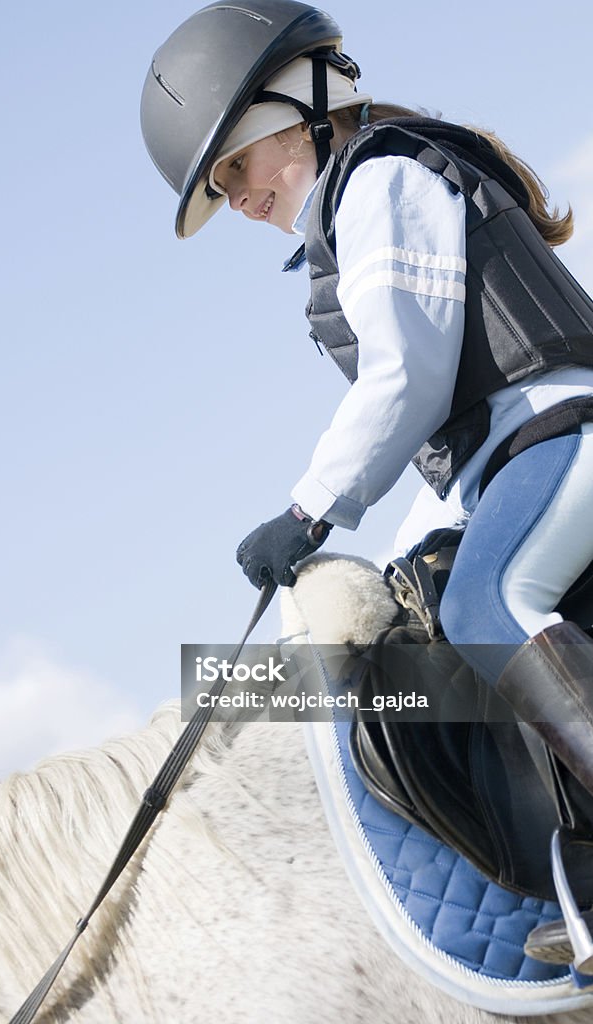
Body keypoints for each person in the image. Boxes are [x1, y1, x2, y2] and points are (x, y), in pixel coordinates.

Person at [142, 0, 593, 957]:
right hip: (506, 459)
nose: (236, 196)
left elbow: (408, 375)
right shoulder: (353, 203)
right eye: (218, 189)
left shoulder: (381, 177)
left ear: (301, 103)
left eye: (234, 162)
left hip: (560, 428)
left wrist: (306, 514)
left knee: (486, 603)